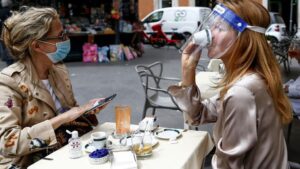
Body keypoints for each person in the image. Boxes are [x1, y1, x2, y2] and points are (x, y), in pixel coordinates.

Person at [168, 0, 292, 168]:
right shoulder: (251, 79)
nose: (209, 33)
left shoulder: (242, 91)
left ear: (243, 38)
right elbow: (197, 115)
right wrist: (188, 70)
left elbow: (226, 165)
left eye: (219, 28)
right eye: (212, 26)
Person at [0, 7, 106, 168]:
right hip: (30, 163)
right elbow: (8, 143)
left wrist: (86, 111)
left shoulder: (58, 70)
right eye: (60, 36)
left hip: (66, 153)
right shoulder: (9, 82)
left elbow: (71, 114)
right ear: (37, 46)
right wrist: (64, 118)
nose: (66, 39)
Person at [0, 0, 14, 66]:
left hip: (1, 34)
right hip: (10, 33)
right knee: (10, 48)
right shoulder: (11, 12)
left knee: (4, 48)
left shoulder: (0, 12)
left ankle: (8, 63)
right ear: (9, 4)